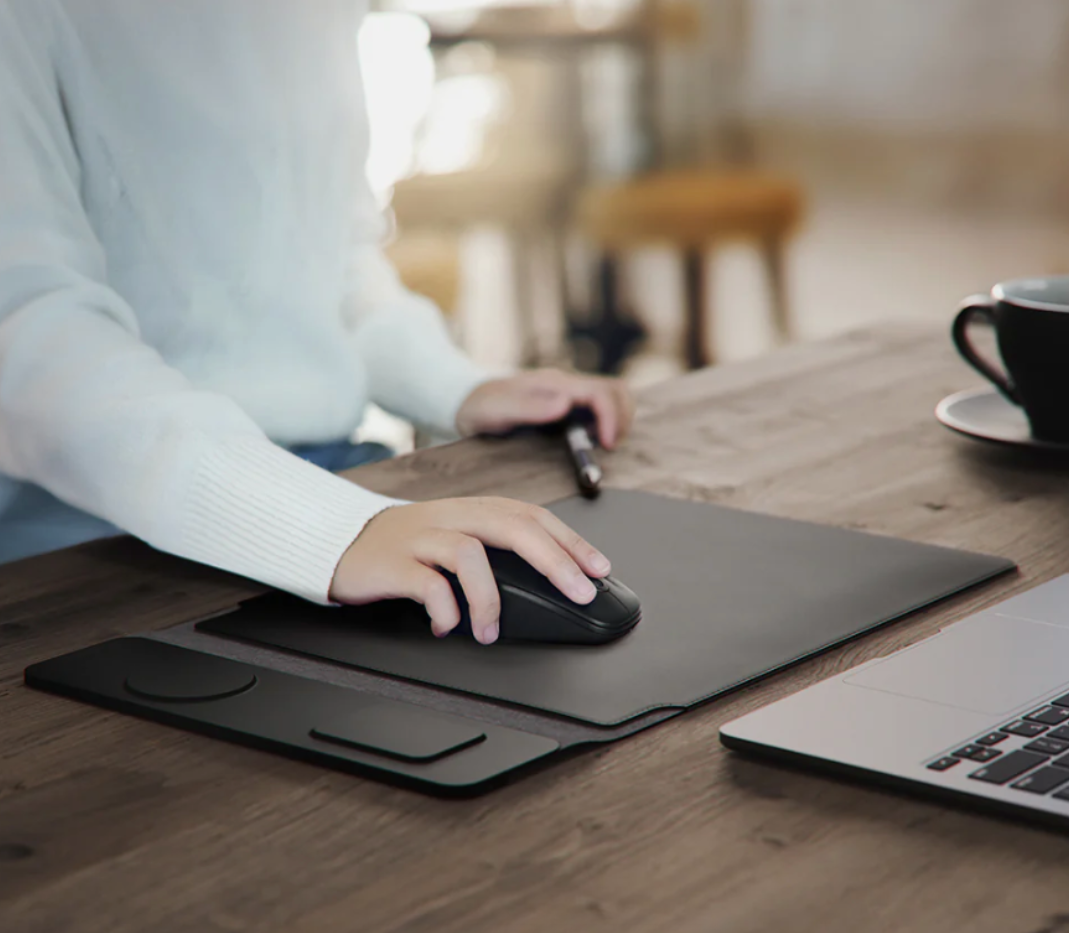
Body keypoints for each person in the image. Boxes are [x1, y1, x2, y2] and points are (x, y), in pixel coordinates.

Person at [0, 0, 634, 645]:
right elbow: (28, 342)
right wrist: (326, 529)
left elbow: (333, 257)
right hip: (92, 544)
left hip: (339, 479)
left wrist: (455, 383)